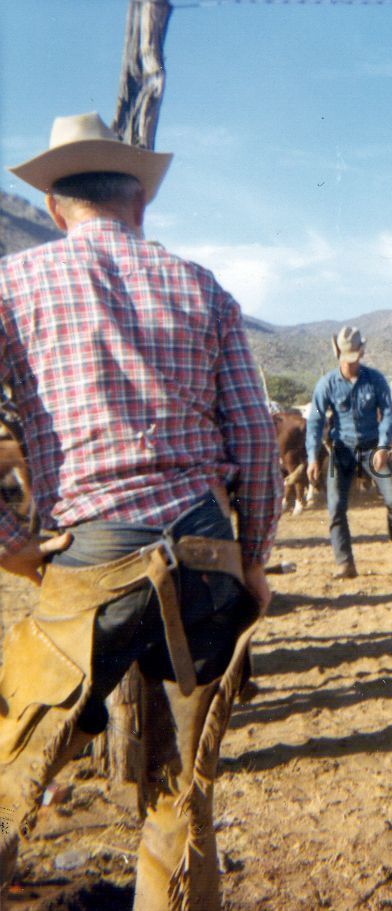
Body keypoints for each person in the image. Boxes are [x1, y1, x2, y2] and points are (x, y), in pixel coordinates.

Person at [0, 112, 281, 911]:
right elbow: (254, 437)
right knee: (180, 786)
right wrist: (253, 558)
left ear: (54, 207)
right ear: (140, 202)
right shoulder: (201, 285)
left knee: (15, 761)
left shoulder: (10, 285)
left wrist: (11, 543)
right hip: (203, 555)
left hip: (91, 556)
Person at [306, 327, 392, 578]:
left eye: (354, 357)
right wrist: (312, 457)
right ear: (338, 354)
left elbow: (388, 414)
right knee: (335, 506)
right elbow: (315, 422)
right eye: (346, 358)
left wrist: (383, 446)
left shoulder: (376, 380)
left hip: (372, 448)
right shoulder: (326, 384)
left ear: (361, 353)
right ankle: (345, 563)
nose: (350, 363)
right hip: (341, 449)